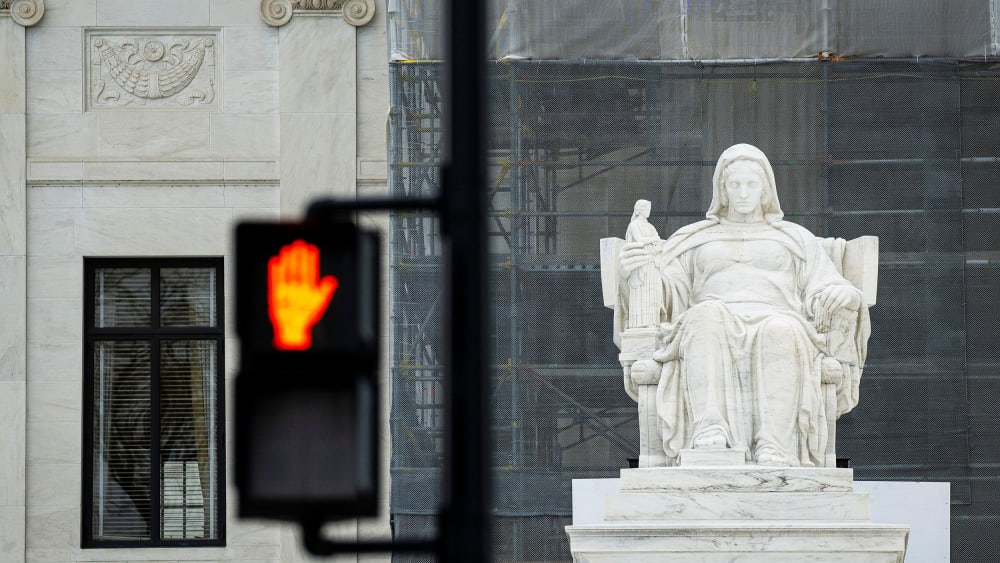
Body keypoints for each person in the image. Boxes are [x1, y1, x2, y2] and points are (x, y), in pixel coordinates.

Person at [617, 144, 868, 467]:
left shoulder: (795, 238)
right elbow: (667, 293)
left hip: (780, 317)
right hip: (710, 315)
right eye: (735, 185)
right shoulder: (692, 239)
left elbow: (826, 283)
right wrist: (633, 272)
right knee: (705, 317)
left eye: (752, 184)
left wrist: (845, 294)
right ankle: (710, 431)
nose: (743, 193)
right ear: (722, 190)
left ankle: (774, 445)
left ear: (766, 190)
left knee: (781, 329)